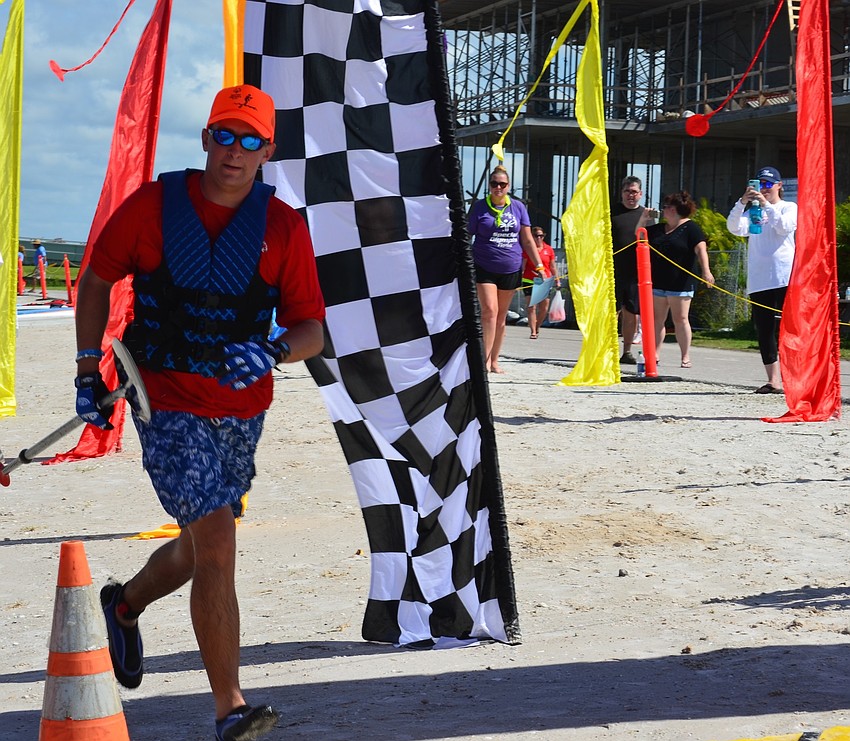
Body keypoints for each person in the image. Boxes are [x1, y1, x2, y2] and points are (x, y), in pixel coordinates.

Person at [73, 84, 325, 741]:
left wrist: (272, 349)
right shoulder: (153, 208)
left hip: (243, 412)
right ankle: (230, 708)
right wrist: (84, 369)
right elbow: (97, 277)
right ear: (207, 138)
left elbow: (311, 330)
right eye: (224, 134)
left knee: (195, 547)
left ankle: (123, 605)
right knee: (217, 540)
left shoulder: (283, 227)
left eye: (249, 140)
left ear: (268, 150)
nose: (233, 152)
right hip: (164, 401)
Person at [726, 166, 797, 394]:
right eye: (760, 185)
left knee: (789, 330)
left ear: (778, 186)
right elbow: (735, 228)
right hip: (759, 279)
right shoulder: (752, 211)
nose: (763, 189)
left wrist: (767, 205)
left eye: (768, 185)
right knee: (764, 330)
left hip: (784, 277)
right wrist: (741, 202)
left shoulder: (789, 207)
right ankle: (773, 380)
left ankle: (794, 379)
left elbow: (784, 227)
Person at [468, 165, 545, 372]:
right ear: (490, 186)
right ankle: (482, 361)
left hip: (510, 267)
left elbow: (528, 239)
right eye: (494, 184)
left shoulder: (518, 208)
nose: (498, 188)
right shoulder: (479, 207)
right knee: (489, 311)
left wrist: (539, 265)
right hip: (484, 265)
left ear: (508, 186)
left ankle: (494, 361)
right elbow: (467, 236)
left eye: (502, 184)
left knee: (501, 316)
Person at [646, 190, 714, 368]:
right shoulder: (659, 228)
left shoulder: (691, 228)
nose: (663, 210)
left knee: (680, 319)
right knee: (657, 320)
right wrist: (643, 218)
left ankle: (685, 356)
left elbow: (701, 250)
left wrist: (706, 271)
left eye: (666, 207)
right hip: (658, 282)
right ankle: (654, 354)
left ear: (675, 209)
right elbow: (639, 238)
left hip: (681, 283)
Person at [611, 175, 653, 364]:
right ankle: (606, 349)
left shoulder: (647, 216)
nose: (631, 195)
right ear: (622, 193)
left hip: (635, 272)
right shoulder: (611, 212)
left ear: (641, 194)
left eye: (634, 192)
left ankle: (626, 351)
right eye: (627, 191)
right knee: (611, 312)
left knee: (631, 313)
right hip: (611, 269)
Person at [521, 227, 560, 339]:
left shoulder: (548, 249)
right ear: (532, 236)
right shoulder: (528, 249)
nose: (539, 238)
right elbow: (523, 265)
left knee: (544, 307)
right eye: (536, 236)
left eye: (541, 236)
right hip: (529, 280)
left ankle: (537, 326)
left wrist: (557, 280)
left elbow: (552, 266)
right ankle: (533, 331)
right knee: (531, 306)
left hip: (545, 280)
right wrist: (519, 277)